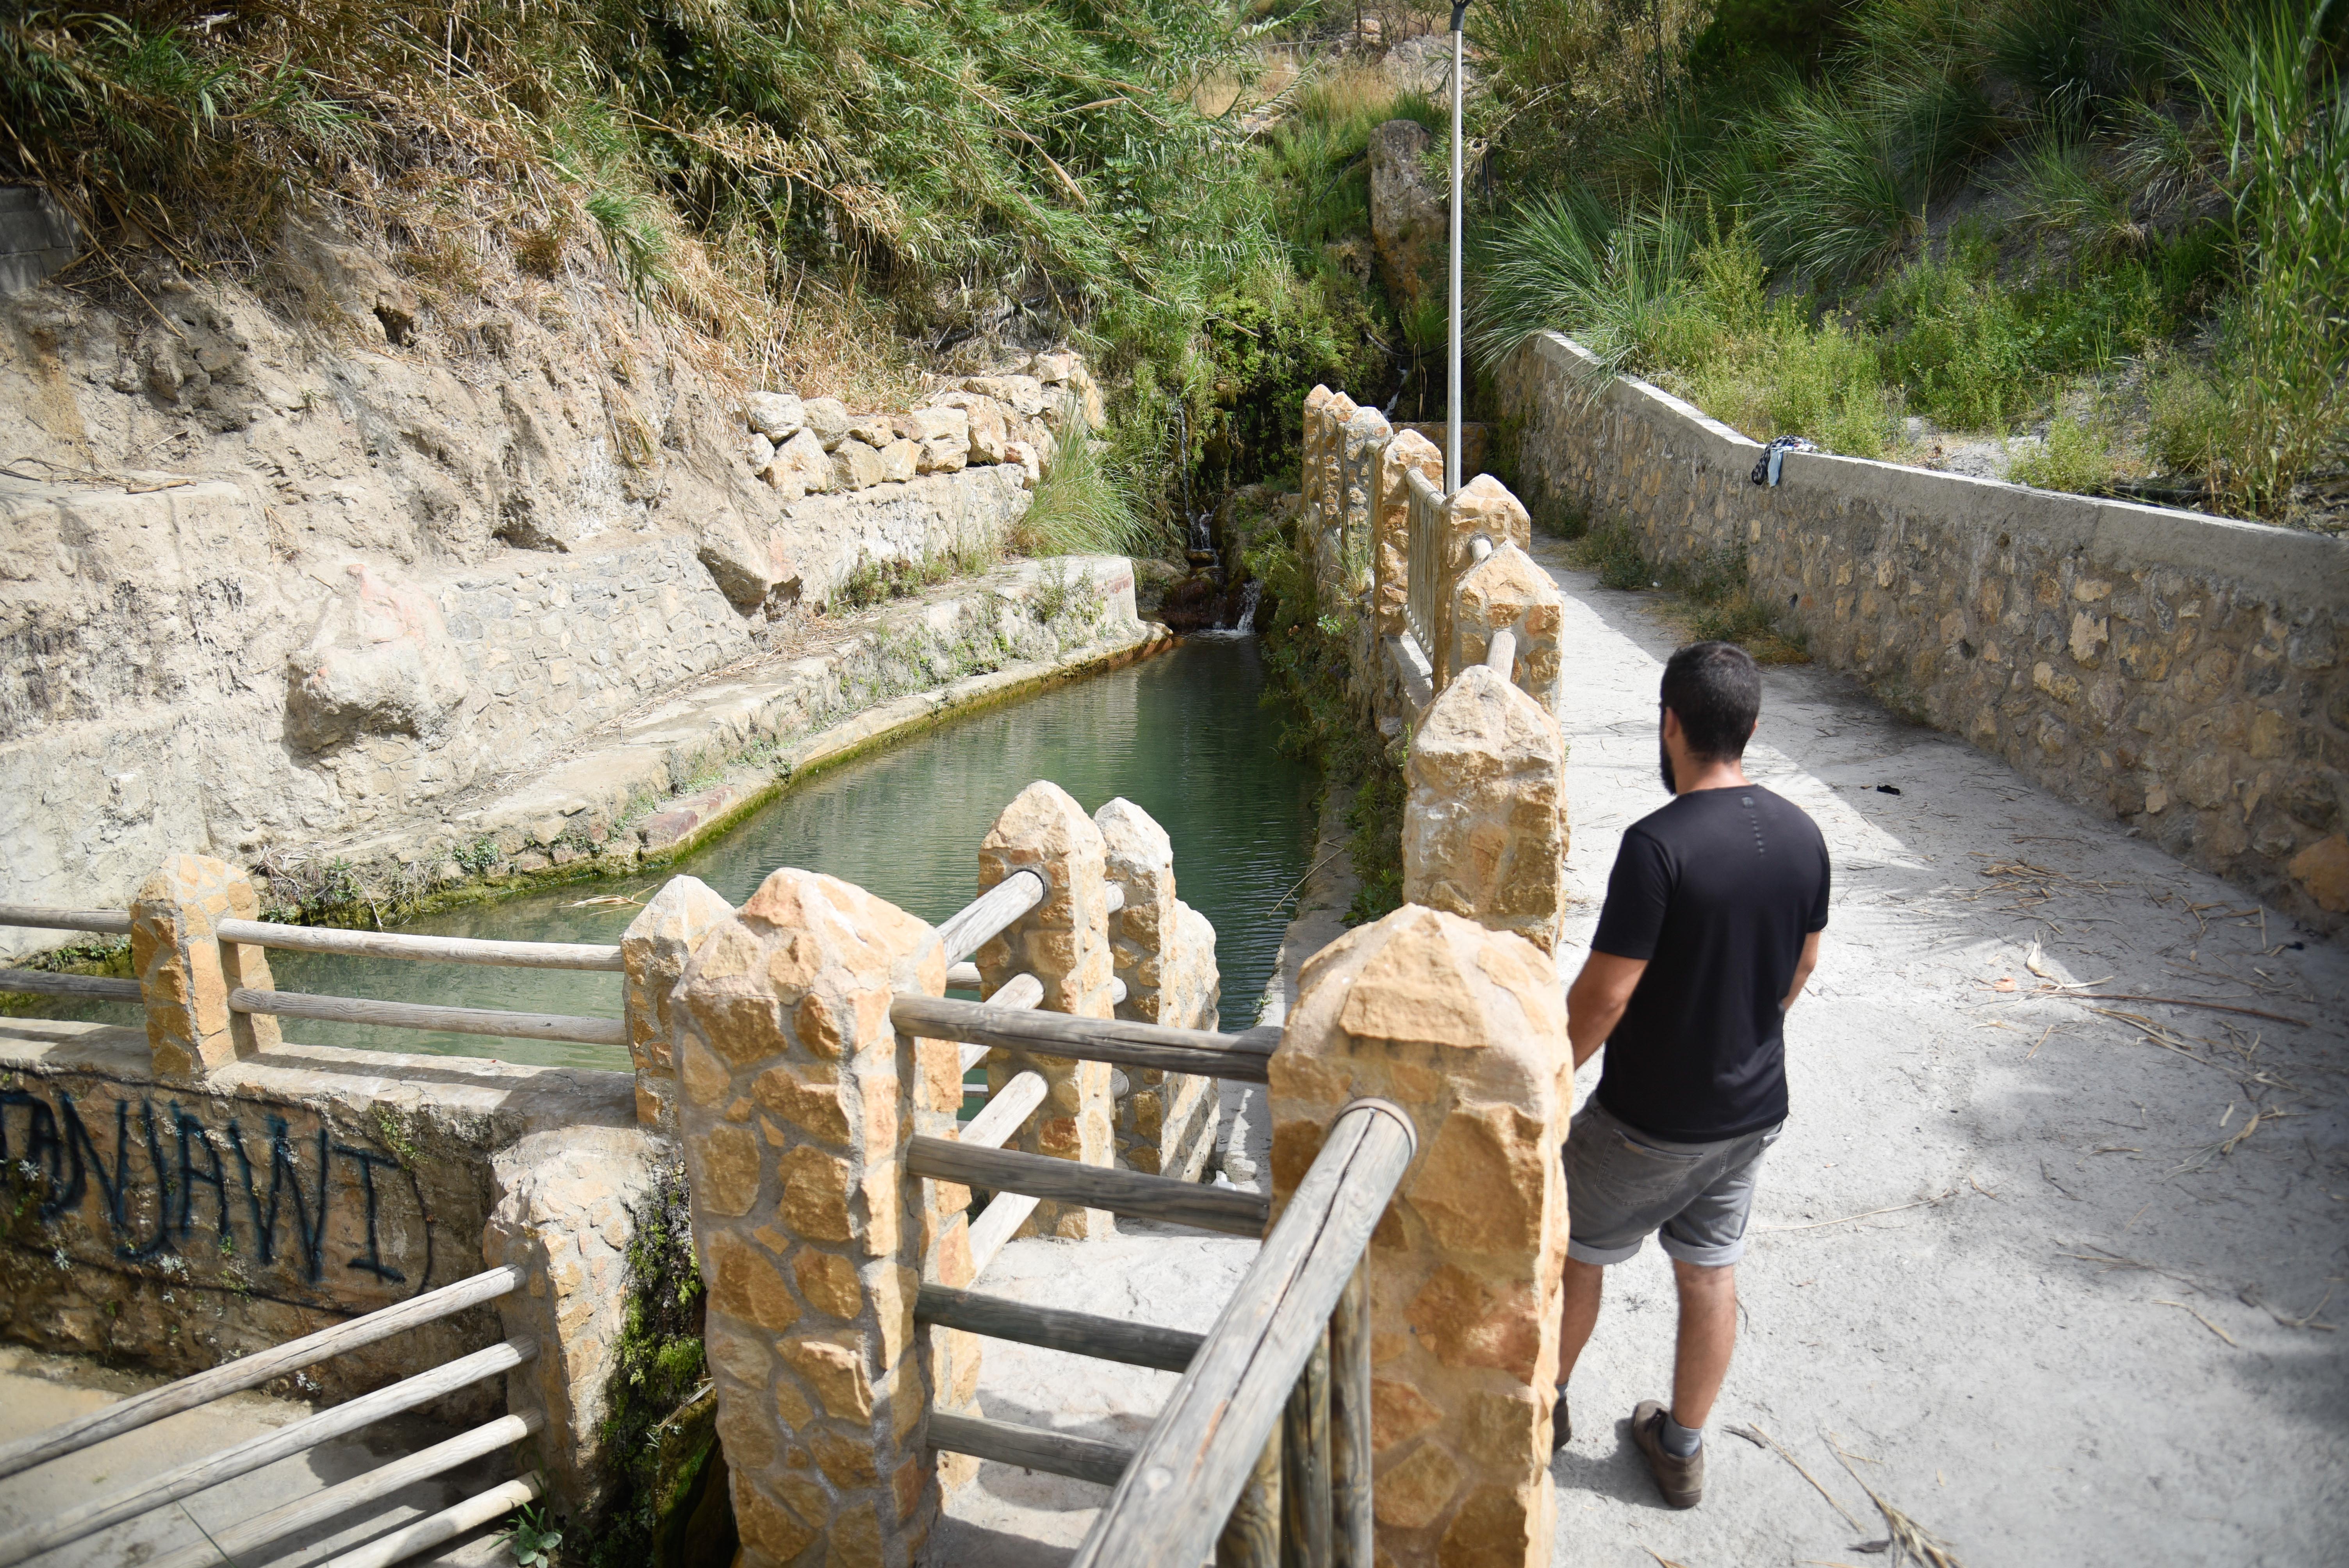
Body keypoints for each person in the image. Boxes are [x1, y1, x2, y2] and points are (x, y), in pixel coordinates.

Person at [1552, 640, 1829, 1508]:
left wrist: (1545, 1076)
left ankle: (1537, 1409)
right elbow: (1800, 970)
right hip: (1750, 1113)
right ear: (1750, 727)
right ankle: (1679, 1448)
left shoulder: (1654, 846)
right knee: (1709, 1270)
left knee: (1570, 1252)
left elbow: (1603, 997)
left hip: (1646, 1120)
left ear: (1669, 723)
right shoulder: (1803, 833)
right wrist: (1738, 1036)